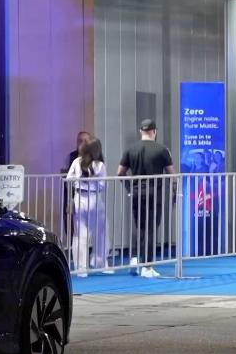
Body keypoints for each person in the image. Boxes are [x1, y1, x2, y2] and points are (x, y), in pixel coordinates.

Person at [117, 119, 176, 279]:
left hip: (136, 193)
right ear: (154, 132)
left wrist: (130, 189)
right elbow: (173, 175)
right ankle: (147, 266)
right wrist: (175, 193)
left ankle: (135, 258)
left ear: (140, 131)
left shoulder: (130, 149)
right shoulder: (162, 150)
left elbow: (120, 173)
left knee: (140, 227)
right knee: (150, 229)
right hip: (154, 194)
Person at [66, 138, 111, 277]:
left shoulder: (76, 162)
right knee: (101, 232)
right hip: (94, 198)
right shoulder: (100, 165)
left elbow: (68, 179)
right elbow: (103, 185)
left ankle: (81, 268)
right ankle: (100, 263)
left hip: (79, 198)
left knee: (80, 234)